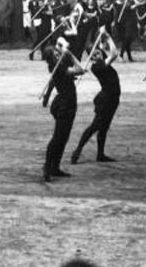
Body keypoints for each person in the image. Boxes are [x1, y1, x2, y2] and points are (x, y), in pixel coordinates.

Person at [71, 29, 120, 164]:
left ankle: (100, 154)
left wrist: (104, 38)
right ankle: (78, 150)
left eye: (98, 53)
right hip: (106, 100)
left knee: (103, 128)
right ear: (91, 57)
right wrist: (109, 36)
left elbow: (110, 51)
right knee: (95, 127)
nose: (98, 55)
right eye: (95, 55)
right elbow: (115, 53)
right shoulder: (97, 67)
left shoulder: (102, 61)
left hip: (113, 99)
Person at [41, 36, 84, 182]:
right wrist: (70, 54)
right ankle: (47, 166)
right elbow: (80, 69)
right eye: (55, 54)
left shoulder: (58, 64)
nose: (58, 54)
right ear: (51, 58)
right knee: (58, 138)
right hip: (65, 104)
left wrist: (63, 49)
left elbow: (62, 41)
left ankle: (54, 167)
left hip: (66, 102)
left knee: (63, 138)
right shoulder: (58, 67)